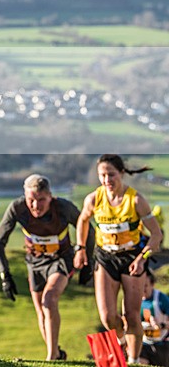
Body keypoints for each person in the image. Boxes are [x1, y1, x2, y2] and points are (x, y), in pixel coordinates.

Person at [0, 174, 92, 360]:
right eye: (31, 200)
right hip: (35, 262)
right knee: (40, 309)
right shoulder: (17, 208)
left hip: (61, 259)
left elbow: (87, 227)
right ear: (25, 196)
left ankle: (51, 357)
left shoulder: (63, 207)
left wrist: (86, 259)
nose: (36, 206)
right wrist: (5, 275)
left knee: (49, 299)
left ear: (50, 196)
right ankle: (56, 353)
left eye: (41, 200)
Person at [75, 154, 163, 364]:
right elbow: (83, 220)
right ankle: (122, 341)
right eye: (102, 175)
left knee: (132, 316)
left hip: (132, 257)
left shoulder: (136, 200)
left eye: (111, 175)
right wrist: (80, 248)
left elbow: (157, 235)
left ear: (122, 173)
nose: (107, 180)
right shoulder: (94, 199)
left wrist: (143, 258)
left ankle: (132, 360)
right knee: (107, 317)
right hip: (106, 257)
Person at [140, 270, 169, 366]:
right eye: (140, 285)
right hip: (144, 343)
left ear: (152, 284)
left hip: (162, 343)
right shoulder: (135, 299)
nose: (142, 289)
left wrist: (160, 325)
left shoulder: (162, 299)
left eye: (145, 285)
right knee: (140, 360)